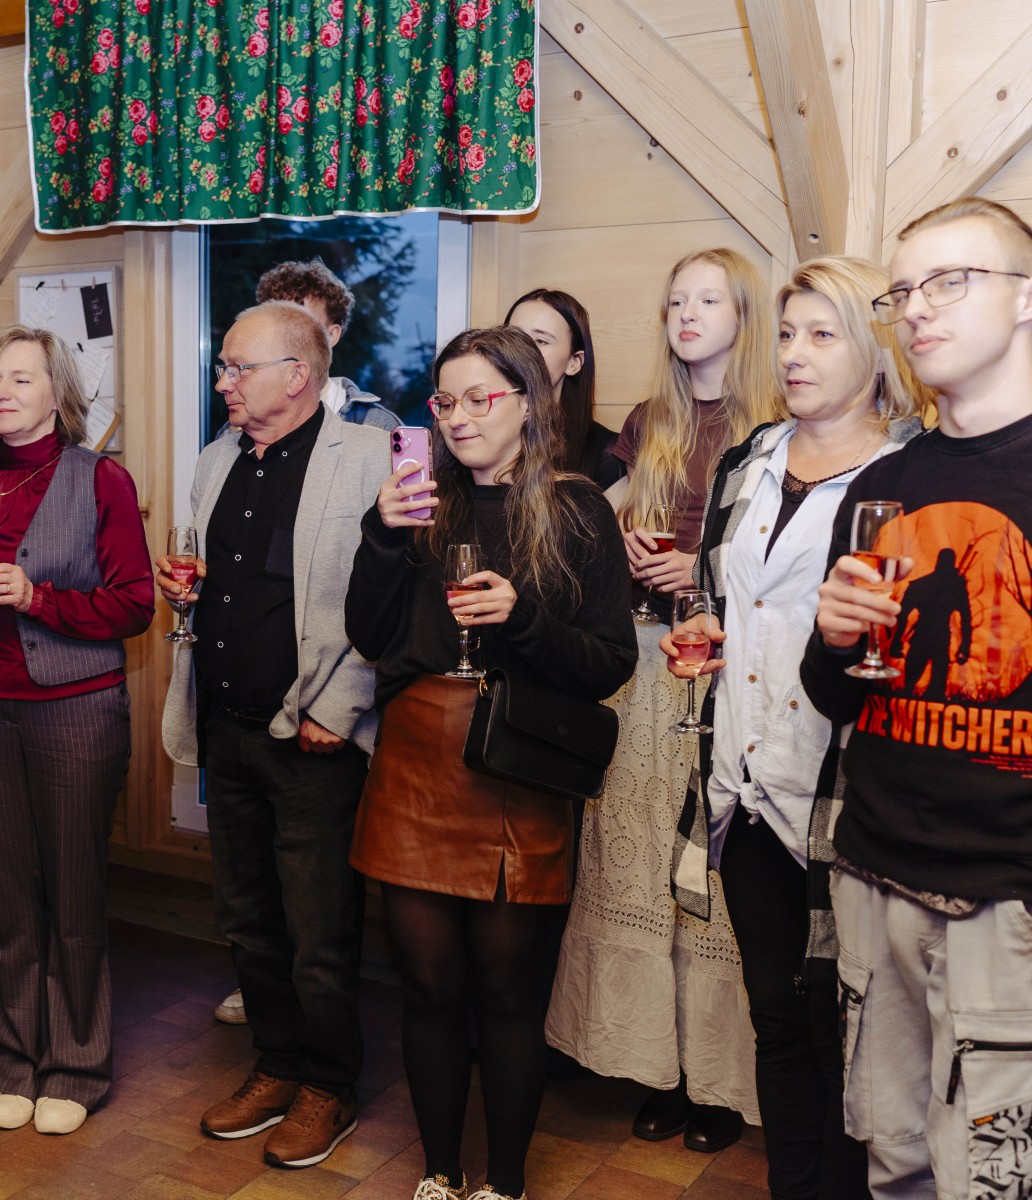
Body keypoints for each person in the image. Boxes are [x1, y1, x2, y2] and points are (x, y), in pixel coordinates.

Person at [347, 325, 636, 1200]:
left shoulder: (578, 509)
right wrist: (381, 536)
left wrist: (522, 621)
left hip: (516, 765)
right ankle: (439, 1174)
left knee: (509, 995)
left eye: (481, 398)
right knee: (428, 990)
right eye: (446, 401)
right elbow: (369, 633)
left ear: (529, 403)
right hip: (417, 760)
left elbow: (609, 663)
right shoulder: (417, 504)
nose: (460, 417)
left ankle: (503, 1184)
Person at [666, 256, 926, 1200]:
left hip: (844, 796)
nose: (794, 353)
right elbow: (723, 593)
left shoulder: (910, 476)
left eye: (822, 334)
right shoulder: (750, 459)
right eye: (785, 334)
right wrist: (706, 627)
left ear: (876, 350)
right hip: (744, 786)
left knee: (846, 1031)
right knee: (775, 1018)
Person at [805, 196, 1032, 1199]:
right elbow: (833, 697)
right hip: (876, 874)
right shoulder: (882, 484)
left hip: (1009, 900)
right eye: (904, 291)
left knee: (993, 1177)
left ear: (1025, 298)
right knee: (891, 1156)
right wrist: (832, 638)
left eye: (952, 281)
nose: (919, 309)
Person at [547, 248, 779, 1150]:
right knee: (644, 870)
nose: (686, 313)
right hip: (645, 669)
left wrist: (702, 570)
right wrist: (625, 548)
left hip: (729, 669)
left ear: (743, 316)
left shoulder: (778, 420)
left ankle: (722, 1084)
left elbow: (790, 561)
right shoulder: (651, 421)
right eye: (676, 299)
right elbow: (597, 521)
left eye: (707, 300)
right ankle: (662, 1069)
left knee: (712, 873)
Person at [157, 300, 387, 1170]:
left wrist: (342, 708)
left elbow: (386, 598)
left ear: (297, 375)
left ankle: (329, 1084)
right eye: (223, 366)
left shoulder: (365, 457)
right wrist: (185, 595)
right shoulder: (216, 459)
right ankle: (277, 1065)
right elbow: (217, 580)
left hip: (314, 735)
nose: (223, 381)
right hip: (227, 727)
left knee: (318, 931)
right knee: (249, 921)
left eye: (236, 366)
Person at [0, 325, 153, 1135]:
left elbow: (135, 604)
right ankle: (15, 1060)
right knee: (8, 892)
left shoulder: (102, 480)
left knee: (73, 892)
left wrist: (35, 597)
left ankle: (77, 1066)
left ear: (56, 393)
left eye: (20, 379)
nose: (0, 392)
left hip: (74, 708)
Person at [255, 259, 402, 431]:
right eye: (277, 323)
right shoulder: (242, 424)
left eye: (303, 324)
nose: (287, 336)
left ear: (331, 336)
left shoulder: (375, 426)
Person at [504, 288, 623, 488]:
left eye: (541, 341)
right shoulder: (478, 435)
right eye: (513, 338)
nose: (521, 351)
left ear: (573, 362)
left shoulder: (606, 453)